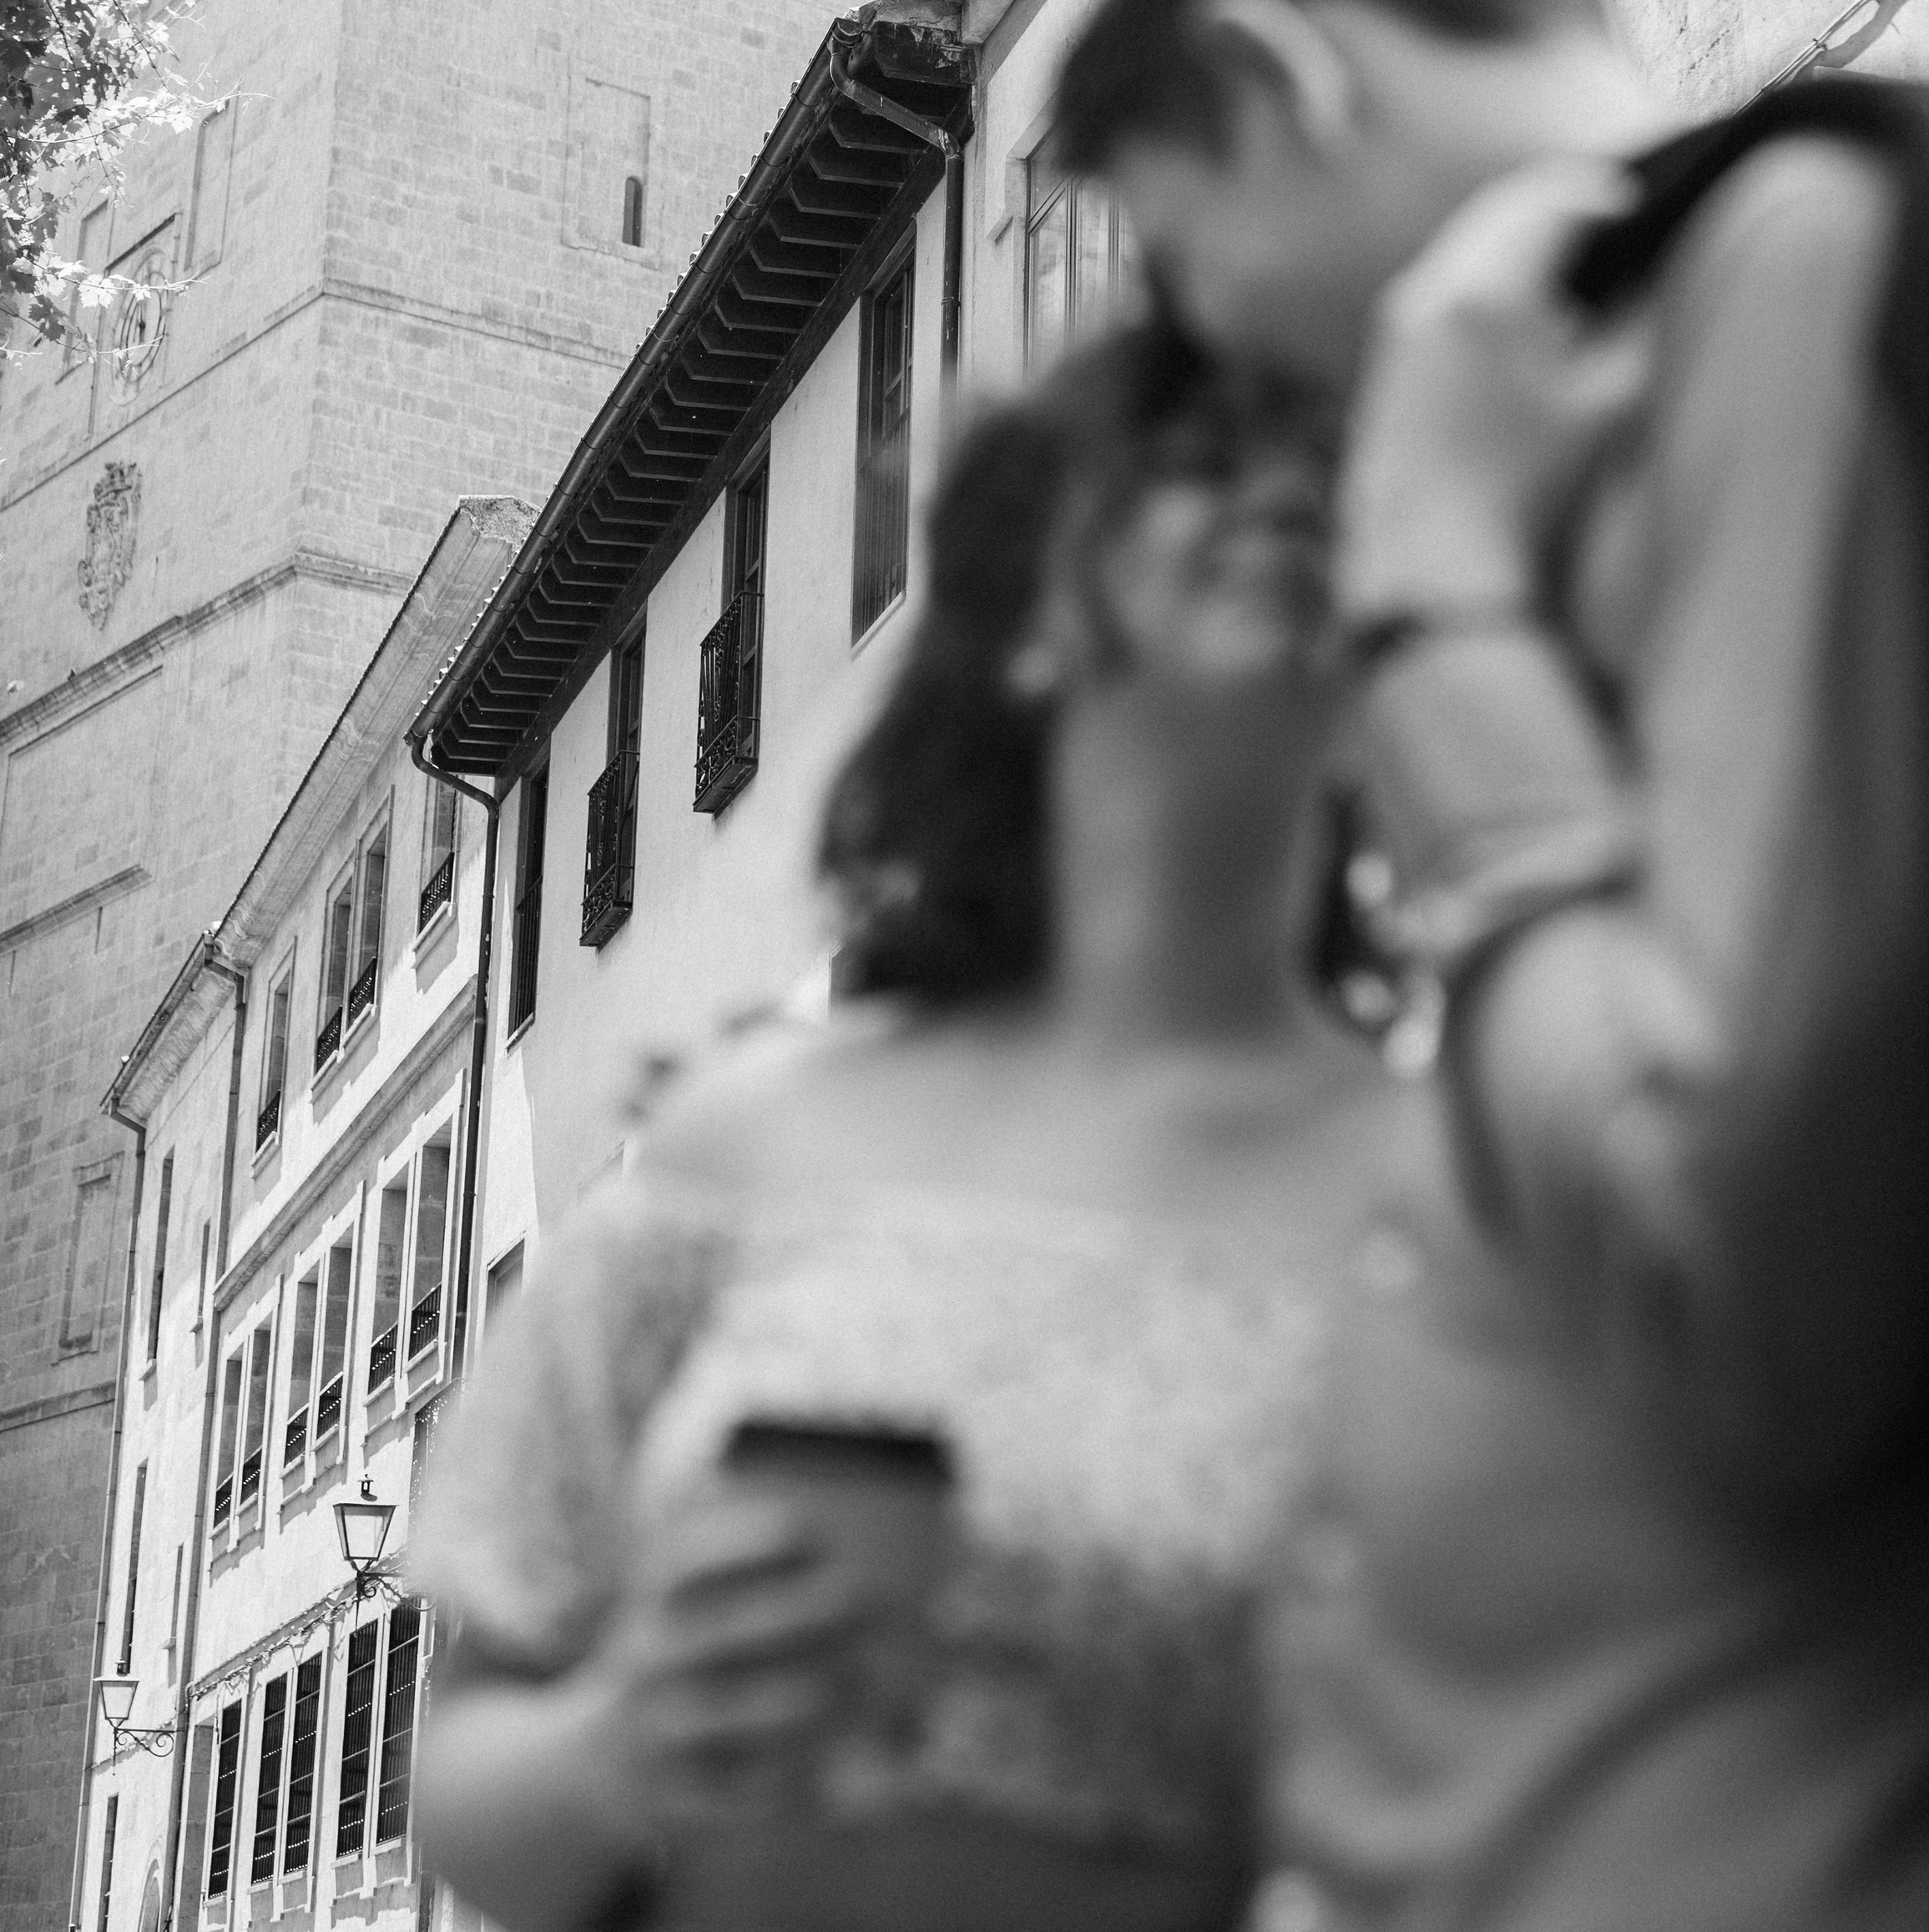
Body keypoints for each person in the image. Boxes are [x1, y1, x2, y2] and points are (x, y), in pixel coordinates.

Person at [1053, 0, 1929, 1931]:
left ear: (1275, 85)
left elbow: (1747, 1289)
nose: (1231, 377)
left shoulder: (1785, 264)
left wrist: (1434, 604)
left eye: (1190, 272)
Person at [412, 325, 1397, 1932]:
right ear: (1024, 619)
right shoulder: (742, 1149)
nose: (1283, 499)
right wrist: (624, 1739)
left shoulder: (1466, 1197)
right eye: (1196, 462)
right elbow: (472, 1791)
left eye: (1339, 487)